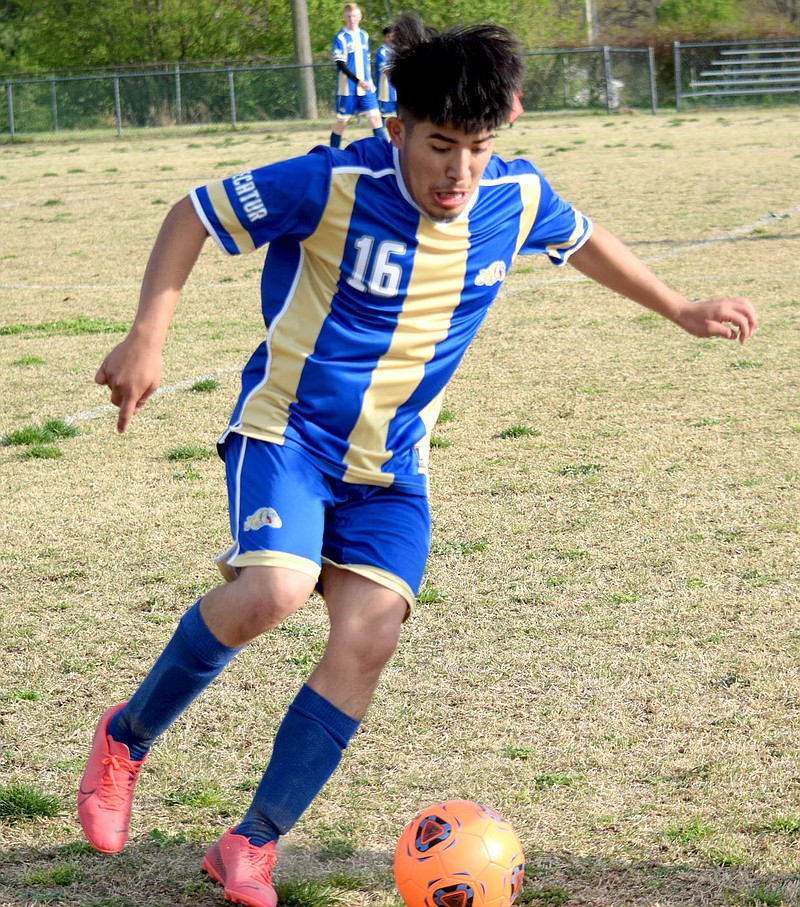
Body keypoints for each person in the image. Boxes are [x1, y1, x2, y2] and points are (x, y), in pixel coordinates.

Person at [78, 13, 757, 907]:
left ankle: (250, 841)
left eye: (478, 147)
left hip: (393, 467)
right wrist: (146, 337)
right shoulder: (333, 183)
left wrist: (679, 307)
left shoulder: (511, 198)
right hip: (288, 433)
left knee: (371, 633)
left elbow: (583, 237)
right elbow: (193, 214)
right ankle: (126, 737)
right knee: (275, 589)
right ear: (396, 128)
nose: (460, 172)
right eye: (441, 146)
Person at [329, 2, 386, 147]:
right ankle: (332, 154)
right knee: (342, 122)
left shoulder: (364, 35)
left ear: (360, 17)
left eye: (354, 16)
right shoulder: (341, 38)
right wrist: (357, 80)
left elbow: (366, 62)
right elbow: (341, 64)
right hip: (348, 89)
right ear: (344, 17)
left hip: (366, 87)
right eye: (348, 16)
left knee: (375, 119)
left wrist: (367, 81)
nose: (351, 19)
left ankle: (386, 154)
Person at [373, 26, 396, 125]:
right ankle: (382, 139)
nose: (392, 39)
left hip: (398, 92)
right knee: (385, 119)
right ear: (385, 37)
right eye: (389, 36)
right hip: (386, 92)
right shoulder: (382, 52)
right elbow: (387, 70)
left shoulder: (398, 51)